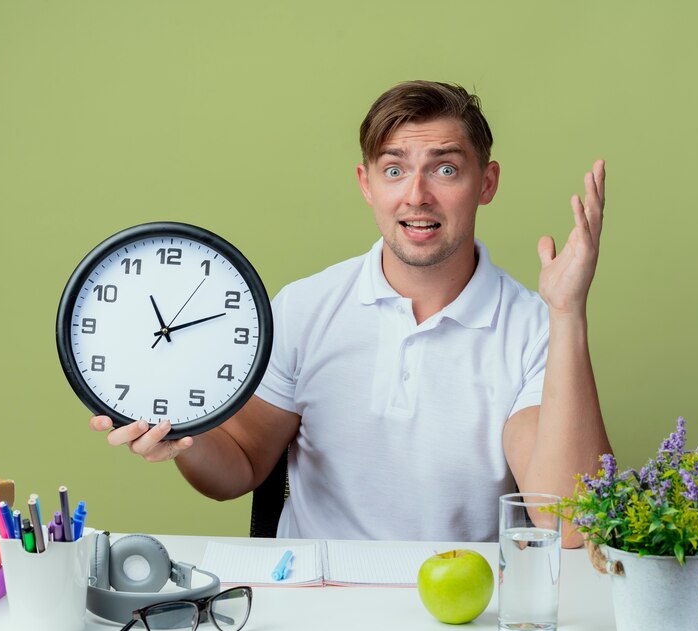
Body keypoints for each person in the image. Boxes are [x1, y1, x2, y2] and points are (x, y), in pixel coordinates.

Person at [90, 80, 612, 546]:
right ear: (367, 184)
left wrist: (567, 313)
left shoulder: (533, 329)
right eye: (394, 170)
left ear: (487, 183)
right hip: (313, 601)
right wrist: (184, 436)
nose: (417, 196)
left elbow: (564, 523)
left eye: (446, 169)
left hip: (463, 608)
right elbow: (241, 467)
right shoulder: (305, 308)